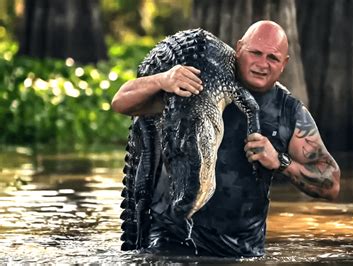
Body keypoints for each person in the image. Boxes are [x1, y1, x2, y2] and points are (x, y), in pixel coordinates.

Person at [112, 20, 340, 257]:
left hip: (240, 250)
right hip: (169, 242)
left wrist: (281, 162)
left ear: (284, 63)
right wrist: (162, 79)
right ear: (239, 48)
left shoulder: (289, 112)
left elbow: (331, 183)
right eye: (255, 53)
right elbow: (121, 102)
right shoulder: (197, 83)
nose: (262, 64)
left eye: (272, 58)